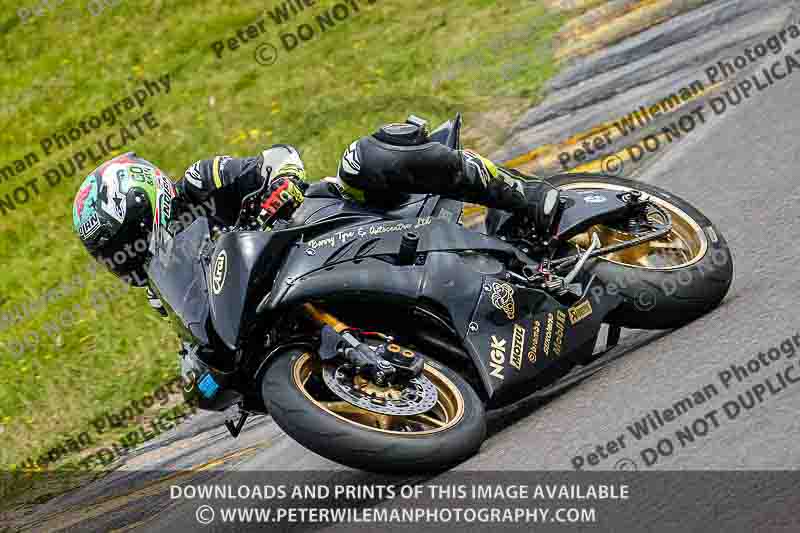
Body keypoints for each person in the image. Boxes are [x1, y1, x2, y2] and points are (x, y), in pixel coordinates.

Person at [72, 118, 561, 317]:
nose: (123, 258)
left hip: (338, 218)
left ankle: (528, 196)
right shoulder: (166, 291)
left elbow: (277, 156)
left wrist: (280, 185)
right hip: (299, 296)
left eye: (122, 242)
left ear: (147, 205)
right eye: (110, 255)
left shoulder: (201, 182)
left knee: (364, 159)